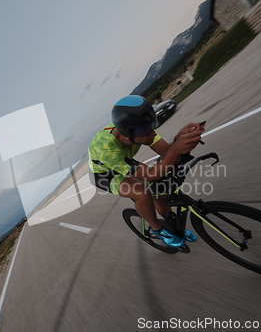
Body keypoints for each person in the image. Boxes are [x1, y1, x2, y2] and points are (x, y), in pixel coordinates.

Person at [88, 95, 205, 247]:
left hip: (122, 161)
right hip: (104, 173)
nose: (151, 131)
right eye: (145, 128)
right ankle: (158, 229)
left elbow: (166, 152)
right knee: (142, 192)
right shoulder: (107, 149)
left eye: (152, 123)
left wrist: (179, 139)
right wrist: (176, 149)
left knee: (160, 187)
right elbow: (150, 174)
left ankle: (170, 219)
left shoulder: (141, 128)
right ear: (127, 134)